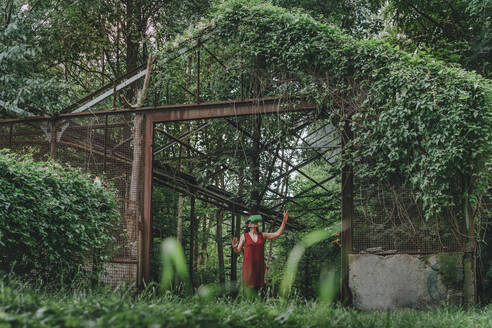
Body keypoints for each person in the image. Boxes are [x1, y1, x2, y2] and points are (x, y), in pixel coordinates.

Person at [231, 211, 289, 292]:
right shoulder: (244, 236)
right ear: (249, 225)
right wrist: (234, 247)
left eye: (256, 222)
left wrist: (284, 222)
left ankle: (259, 303)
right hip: (249, 266)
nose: (256, 223)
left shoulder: (262, 235)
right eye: (253, 222)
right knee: (248, 289)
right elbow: (238, 251)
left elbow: (277, 234)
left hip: (259, 266)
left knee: (258, 289)